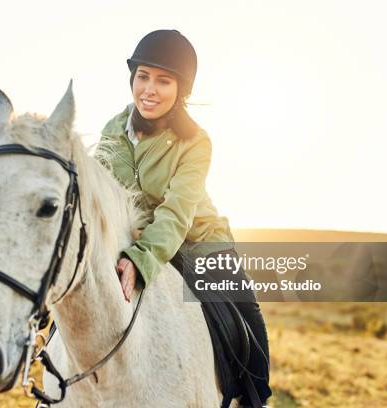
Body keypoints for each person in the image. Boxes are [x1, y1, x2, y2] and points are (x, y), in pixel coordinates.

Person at [94, 29, 271, 407]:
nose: (149, 90)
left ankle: (258, 398)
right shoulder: (112, 130)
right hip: (135, 236)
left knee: (247, 314)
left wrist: (141, 260)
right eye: (142, 77)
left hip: (199, 240)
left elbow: (176, 214)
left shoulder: (197, 143)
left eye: (163, 81)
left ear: (181, 90)